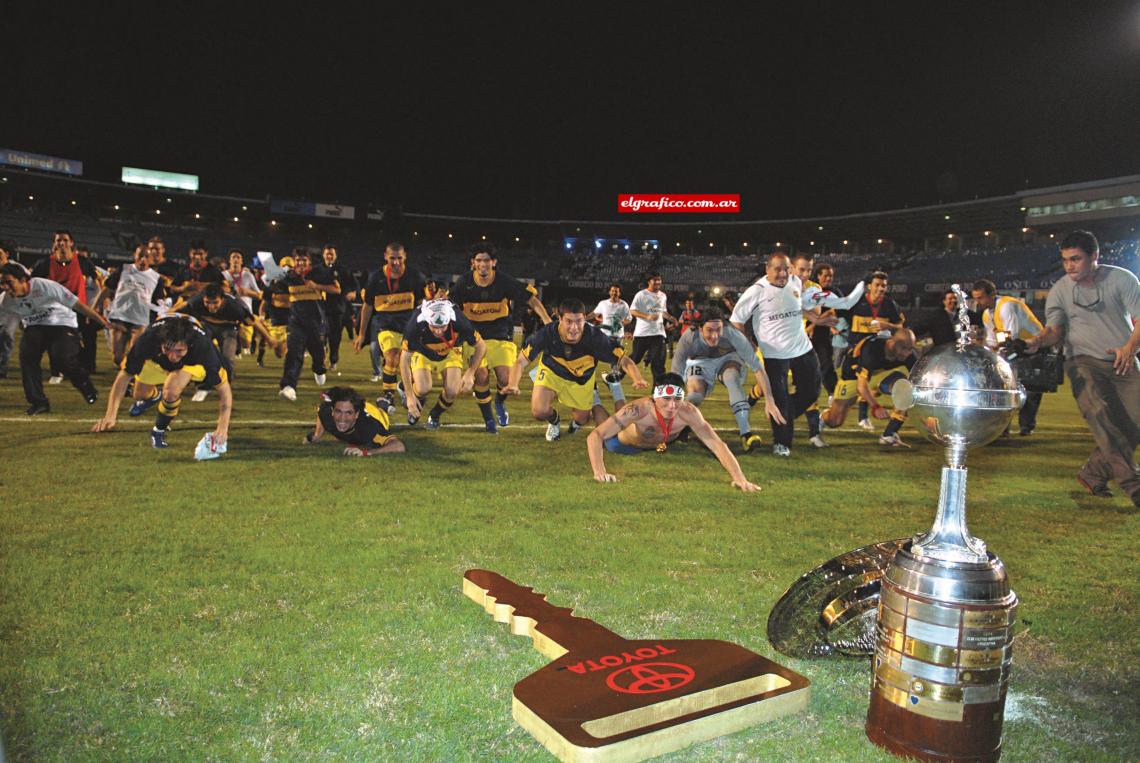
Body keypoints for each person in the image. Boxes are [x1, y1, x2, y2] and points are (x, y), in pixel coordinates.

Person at [1027, 230, 1140, 504]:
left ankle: (1093, 473)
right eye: (1065, 260)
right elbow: (1055, 331)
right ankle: (1134, 486)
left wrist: (1129, 348)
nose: (1069, 266)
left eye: (1076, 259)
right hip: (1082, 362)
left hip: (1123, 360)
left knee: (1133, 425)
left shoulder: (1122, 279)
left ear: (1095, 257)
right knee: (1100, 416)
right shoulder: (1059, 291)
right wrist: (1039, 341)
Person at [731, 252, 866, 454]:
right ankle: (781, 443)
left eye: (786, 268)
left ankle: (782, 416)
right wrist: (747, 344)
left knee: (812, 391)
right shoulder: (757, 290)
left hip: (803, 348)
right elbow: (736, 319)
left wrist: (816, 319)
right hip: (774, 354)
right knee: (781, 397)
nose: (782, 273)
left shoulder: (795, 281)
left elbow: (795, 305)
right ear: (767, 269)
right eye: (777, 269)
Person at [585, 372, 761, 492]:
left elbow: (716, 444)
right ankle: (594, 396)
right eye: (666, 399)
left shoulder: (688, 411)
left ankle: (614, 385)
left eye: (677, 399)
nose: (671, 406)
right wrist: (599, 472)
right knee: (608, 425)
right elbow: (596, 435)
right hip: (622, 443)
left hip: (651, 443)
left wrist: (740, 478)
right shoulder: (640, 409)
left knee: (623, 413)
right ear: (655, 397)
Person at [505, 297, 648, 441]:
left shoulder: (595, 337)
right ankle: (554, 421)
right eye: (569, 321)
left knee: (581, 419)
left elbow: (624, 360)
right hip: (552, 372)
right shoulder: (547, 334)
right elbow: (520, 362)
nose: (574, 328)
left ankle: (579, 419)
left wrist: (637, 378)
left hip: (581, 379)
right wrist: (512, 383)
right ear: (559, 318)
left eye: (579, 321)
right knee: (539, 411)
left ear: (585, 318)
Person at [448, 243, 552, 428]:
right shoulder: (464, 283)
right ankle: (489, 419)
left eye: (487, 260)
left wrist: (547, 321)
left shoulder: (504, 281)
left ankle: (499, 402)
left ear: (493, 262)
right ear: (473, 263)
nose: (483, 264)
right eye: (479, 260)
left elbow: (531, 299)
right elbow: (448, 306)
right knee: (481, 376)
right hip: (474, 338)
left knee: (505, 379)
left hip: (500, 336)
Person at [92, 315, 232, 450]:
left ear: (188, 345)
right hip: (157, 359)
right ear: (161, 342)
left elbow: (224, 390)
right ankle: (154, 396)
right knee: (139, 395)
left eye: (179, 351)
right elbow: (124, 376)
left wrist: (222, 428)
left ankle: (159, 430)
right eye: (168, 349)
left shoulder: (202, 348)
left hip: (190, 364)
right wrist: (110, 415)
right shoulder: (147, 340)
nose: (172, 356)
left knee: (171, 390)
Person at [671, 308, 785, 452]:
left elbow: (757, 367)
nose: (714, 335)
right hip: (699, 362)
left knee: (732, 377)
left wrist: (769, 399)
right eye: (709, 330)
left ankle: (746, 434)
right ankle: (682, 427)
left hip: (727, 359)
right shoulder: (689, 337)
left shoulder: (732, 334)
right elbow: (676, 372)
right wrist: (670, 403)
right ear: (700, 328)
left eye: (718, 329)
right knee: (695, 395)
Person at [0, 263, 108, 414]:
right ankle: (39, 402)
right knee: (27, 357)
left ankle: (85, 385)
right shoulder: (5, 300)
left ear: (23, 279)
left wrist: (103, 322)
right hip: (35, 327)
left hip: (62, 323)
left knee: (62, 359)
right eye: (2, 283)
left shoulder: (45, 286)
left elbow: (78, 305)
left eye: (9, 282)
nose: (5, 287)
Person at [355, 242, 427, 408]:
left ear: (405, 257)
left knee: (411, 363)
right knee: (393, 356)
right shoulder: (376, 278)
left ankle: (404, 387)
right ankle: (388, 396)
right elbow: (367, 306)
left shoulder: (415, 276)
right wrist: (361, 334)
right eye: (392, 258)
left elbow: (422, 302)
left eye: (399, 258)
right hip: (385, 324)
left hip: (409, 325)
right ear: (386, 256)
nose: (396, 262)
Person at [399, 299, 487, 430]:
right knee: (423, 388)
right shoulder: (415, 324)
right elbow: (404, 360)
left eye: (443, 327)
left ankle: (434, 415)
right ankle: (409, 390)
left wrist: (470, 373)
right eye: (434, 326)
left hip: (450, 350)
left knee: (452, 391)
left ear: (450, 320)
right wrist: (410, 397)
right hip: (423, 351)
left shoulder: (458, 320)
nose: (439, 331)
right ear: (426, 320)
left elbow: (481, 346)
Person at [971, 278, 1044, 436]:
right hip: (1015, 348)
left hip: (1032, 346)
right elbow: (992, 340)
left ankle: (1025, 426)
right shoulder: (986, 314)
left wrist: (998, 353)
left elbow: (1011, 336)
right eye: (975, 298)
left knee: (1029, 389)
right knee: (1005, 387)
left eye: (980, 297)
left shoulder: (1006, 306)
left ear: (992, 294)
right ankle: (1004, 426)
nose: (978, 302)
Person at [172, 283, 280, 390]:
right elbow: (184, 305)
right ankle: (197, 379)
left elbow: (254, 322)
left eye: (215, 302)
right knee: (197, 350)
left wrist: (268, 338)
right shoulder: (197, 300)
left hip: (228, 328)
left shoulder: (236, 306)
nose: (211, 306)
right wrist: (167, 313)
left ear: (222, 299)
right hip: (206, 325)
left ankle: (225, 384)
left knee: (227, 359)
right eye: (207, 302)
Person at [822, 328, 917, 446]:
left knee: (907, 390)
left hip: (881, 374)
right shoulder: (872, 349)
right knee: (834, 421)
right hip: (853, 378)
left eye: (910, 348)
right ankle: (822, 417)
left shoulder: (908, 355)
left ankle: (889, 434)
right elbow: (861, 386)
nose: (908, 353)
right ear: (892, 343)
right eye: (904, 348)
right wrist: (876, 407)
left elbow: (919, 378)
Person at [841, 270, 905, 430]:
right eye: (877, 285)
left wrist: (888, 326)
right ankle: (853, 414)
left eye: (884, 285)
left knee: (868, 383)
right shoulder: (856, 302)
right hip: (855, 355)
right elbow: (836, 312)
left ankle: (865, 418)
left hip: (877, 355)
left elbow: (901, 328)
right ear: (869, 286)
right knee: (843, 406)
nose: (881, 288)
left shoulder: (890, 305)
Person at [278, 248, 340, 401]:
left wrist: (316, 286)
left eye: (304, 260)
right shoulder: (288, 277)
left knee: (318, 355)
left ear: (309, 262)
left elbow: (337, 289)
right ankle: (289, 387)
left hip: (316, 323)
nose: (300, 263)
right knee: (294, 353)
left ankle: (319, 370)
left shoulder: (320, 274)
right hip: (296, 322)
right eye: (298, 260)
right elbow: (277, 294)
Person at [93, 244, 165, 367]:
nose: (143, 259)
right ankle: (127, 374)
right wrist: (95, 307)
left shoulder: (157, 279)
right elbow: (107, 289)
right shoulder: (123, 269)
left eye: (146, 257)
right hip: (119, 318)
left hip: (140, 321)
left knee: (135, 355)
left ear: (151, 259)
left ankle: (130, 381)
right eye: (140, 256)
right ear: (134, 256)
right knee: (117, 357)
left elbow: (159, 302)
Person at [303, 386, 405, 456]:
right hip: (358, 408)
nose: (342, 418)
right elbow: (321, 412)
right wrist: (317, 434)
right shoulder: (326, 412)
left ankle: (383, 406)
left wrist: (367, 452)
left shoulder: (369, 427)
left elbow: (399, 446)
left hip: (375, 415)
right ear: (332, 411)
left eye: (348, 413)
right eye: (339, 412)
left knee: (383, 416)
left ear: (356, 414)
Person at [626, 273, 677, 386]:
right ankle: (617, 374)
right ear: (649, 281)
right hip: (642, 333)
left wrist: (671, 318)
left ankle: (657, 391)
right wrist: (647, 316)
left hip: (658, 333)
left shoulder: (663, 295)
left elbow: (662, 312)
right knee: (636, 358)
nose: (658, 282)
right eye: (655, 280)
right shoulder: (641, 294)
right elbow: (632, 311)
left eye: (659, 280)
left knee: (658, 363)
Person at [587, 283, 632, 407]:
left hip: (617, 337)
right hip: (603, 336)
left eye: (616, 291)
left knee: (615, 363)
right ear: (609, 292)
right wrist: (583, 318)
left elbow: (629, 318)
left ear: (620, 293)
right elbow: (594, 314)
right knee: (593, 358)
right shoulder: (603, 303)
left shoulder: (624, 305)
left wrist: (623, 322)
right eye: (612, 291)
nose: (614, 293)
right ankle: (591, 383)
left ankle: (612, 383)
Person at [321, 245, 358, 371]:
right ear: (323, 254)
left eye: (332, 254)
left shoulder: (343, 270)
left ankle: (333, 359)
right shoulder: (317, 270)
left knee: (335, 337)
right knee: (319, 335)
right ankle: (321, 357)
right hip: (320, 308)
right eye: (327, 253)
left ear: (335, 256)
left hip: (337, 309)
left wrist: (353, 293)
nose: (329, 256)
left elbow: (354, 285)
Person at [223, 249, 262, 354]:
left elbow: (259, 295)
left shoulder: (248, 276)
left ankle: (250, 340)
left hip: (245, 312)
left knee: (246, 343)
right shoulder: (223, 275)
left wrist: (246, 292)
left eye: (238, 257)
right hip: (228, 312)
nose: (236, 259)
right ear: (229, 261)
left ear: (242, 261)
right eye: (233, 257)